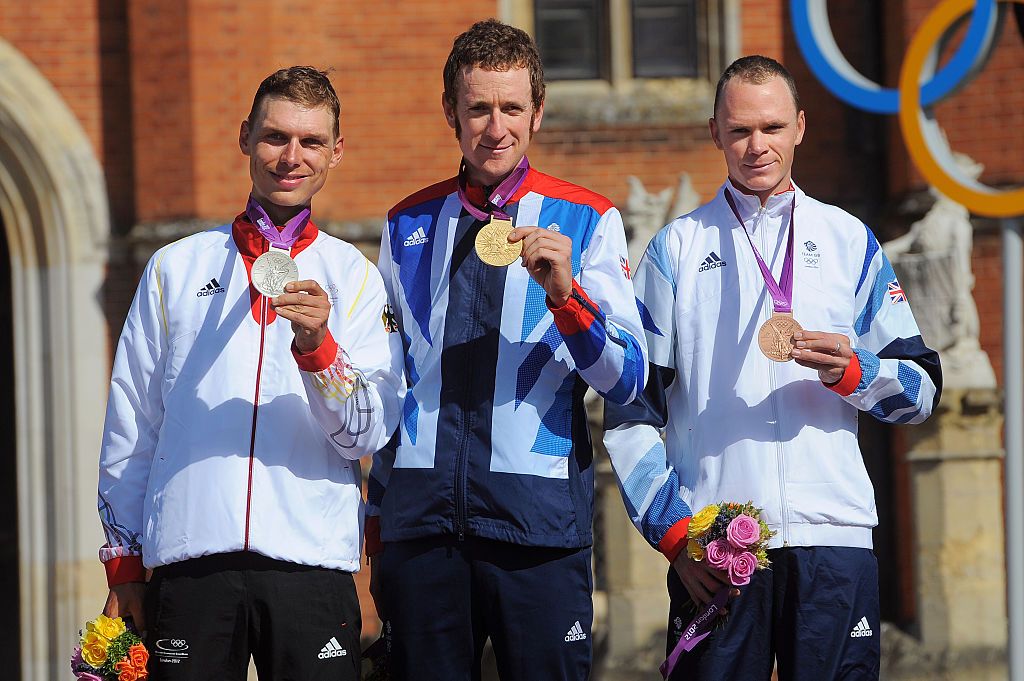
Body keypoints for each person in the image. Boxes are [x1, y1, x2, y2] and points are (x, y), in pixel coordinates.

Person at [603, 55, 942, 681]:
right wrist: (676, 535)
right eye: (739, 131)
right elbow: (630, 414)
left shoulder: (849, 241)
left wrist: (854, 372)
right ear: (715, 133)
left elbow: (921, 392)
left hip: (833, 537)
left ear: (800, 127)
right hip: (721, 544)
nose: (757, 146)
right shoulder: (674, 249)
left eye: (772, 128)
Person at [97, 66, 405, 681]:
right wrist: (124, 567)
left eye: (311, 143)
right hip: (191, 559)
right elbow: (131, 425)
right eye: (275, 137)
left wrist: (320, 350)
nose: (291, 157)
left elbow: (366, 435)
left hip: (310, 564)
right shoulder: (174, 268)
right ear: (245, 138)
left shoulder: (358, 277)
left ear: (335, 154)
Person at [365, 19, 646, 681]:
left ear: (538, 112)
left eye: (512, 108)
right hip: (422, 529)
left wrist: (568, 297)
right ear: (451, 113)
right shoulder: (406, 221)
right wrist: (375, 525)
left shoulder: (588, 218)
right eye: (479, 108)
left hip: (537, 530)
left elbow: (628, 379)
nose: (496, 127)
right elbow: (388, 379)